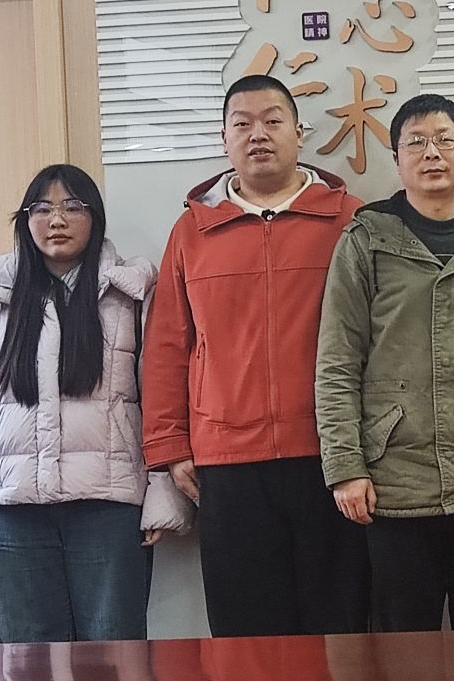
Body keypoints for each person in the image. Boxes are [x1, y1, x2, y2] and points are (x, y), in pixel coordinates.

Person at [140, 74, 369, 637]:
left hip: (330, 456)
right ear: (224, 139)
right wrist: (170, 447)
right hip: (227, 462)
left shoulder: (348, 219)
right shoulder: (192, 231)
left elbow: (378, 339)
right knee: (246, 635)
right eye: (242, 124)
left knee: (339, 629)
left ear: (299, 132)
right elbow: (167, 344)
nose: (258, 135)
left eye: (272, 121)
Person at [0, 164, 193, 643]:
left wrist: (163, 491)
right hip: (16, 505)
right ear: (25, 220)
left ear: (95, 218)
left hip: (108, 504)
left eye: (73, 207)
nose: (57, 219)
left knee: (114, 650)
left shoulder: (131, 292)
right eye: (43, 208)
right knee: (24, 652)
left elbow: (161, 395)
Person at [316, 94, 454, 631]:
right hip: (395, 485)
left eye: (444, 140)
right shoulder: (365, 242)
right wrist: (345, 468)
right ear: (397, 160)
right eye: (416, 143)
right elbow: (337, 363)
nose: (431, 153)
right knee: (404, 653)